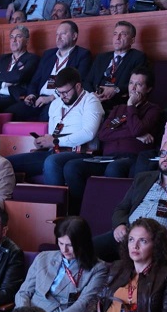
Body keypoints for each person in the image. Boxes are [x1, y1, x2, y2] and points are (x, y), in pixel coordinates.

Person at [93, 137, 167, 261]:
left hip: (158, 239)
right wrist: (120, 225)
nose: (166, 158)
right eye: (163, 153)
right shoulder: (144, 178)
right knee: (84, 250)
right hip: (129, 233)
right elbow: (121, 208)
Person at [6, 67, 104, 211]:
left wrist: (55, 141)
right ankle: (14, 208)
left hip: (81, 152)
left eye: (65, 92)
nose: (62, 96)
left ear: (78, 86)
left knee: (52, 162)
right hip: (55, 151)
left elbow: (88, 133)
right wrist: (44, 142)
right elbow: (53, 135)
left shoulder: (91, 101)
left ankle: (56, 213)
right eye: (59, 92)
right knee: (6, 163)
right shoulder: (56, 104)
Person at [61, 66, 160, 186]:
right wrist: (134, 135)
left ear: (148, 89)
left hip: (130, 158)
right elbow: (103, 134)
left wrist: (130, 105)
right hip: (107, 158)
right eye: (131, 83)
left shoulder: (153, 110)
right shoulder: (118, 108)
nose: (133, 88)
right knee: (72, 167)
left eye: (138, 84)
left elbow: (137, 130)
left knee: (114, 168)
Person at [15, 216, 109, 312]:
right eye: (60, 243)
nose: (64, 250)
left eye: (70, 245)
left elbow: (83, 303)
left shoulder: (97, 268)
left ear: (82, 244)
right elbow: (24, 292)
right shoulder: (43, 257)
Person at [7, 20, 92, 122]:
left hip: (59, 99)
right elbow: (35, 81)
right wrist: (31, 95)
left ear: (74, 36)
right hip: (39, 98)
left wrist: (51, 97)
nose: (58, 37)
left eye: (63, 34)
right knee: (12, 112)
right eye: (57, 34)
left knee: (46, 115)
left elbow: (78, 83)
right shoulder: (48, 55)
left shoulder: (82, 55)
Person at [82, 21, 147, 111]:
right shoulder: (101, 58)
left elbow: (137, 84)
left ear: (132, 40)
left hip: (116, 104)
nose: (117, 38)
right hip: (93, 101)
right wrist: (92, 95)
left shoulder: (137, 57)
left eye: (123, 34)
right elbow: (87, 81)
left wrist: (116, 90)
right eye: (115, 34)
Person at [0, 25, 41, 113]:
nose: (14, 40)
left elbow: (19, 76)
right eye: (11, 37)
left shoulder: (32, 58)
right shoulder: (2, 58)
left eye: (18, 36)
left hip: (13, 97)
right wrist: (3, 84)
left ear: (27, 41)